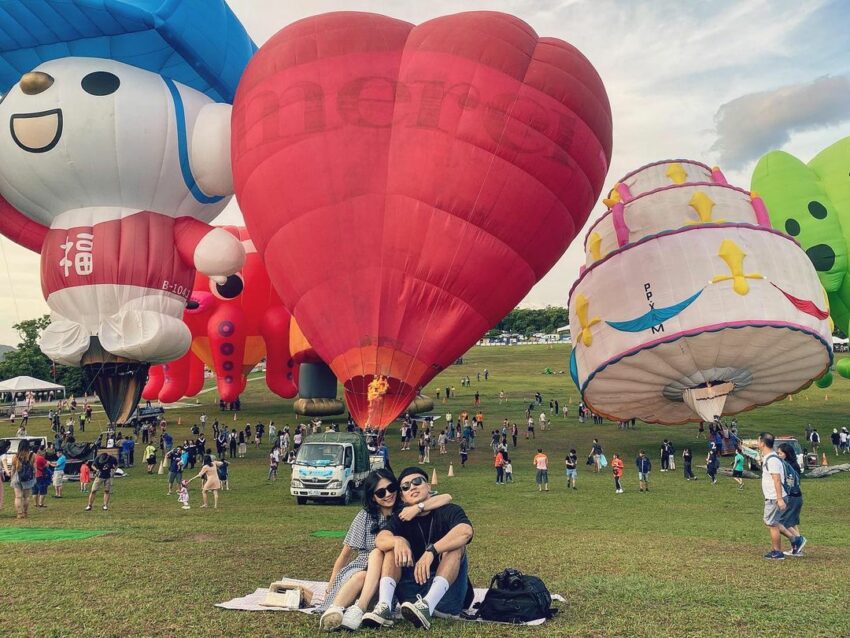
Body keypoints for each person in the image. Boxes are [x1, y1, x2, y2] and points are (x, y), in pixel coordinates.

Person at [319, 469, 453, 631]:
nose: (388, 494)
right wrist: (331, 583)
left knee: (380, 554)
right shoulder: (365, 516)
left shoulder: (405, 511)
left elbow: (446, 497)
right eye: (381, 492)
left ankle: (354, 609)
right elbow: (344, 555)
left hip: (388, 573)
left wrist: (418, 507)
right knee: (367, 566)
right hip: (362, 568)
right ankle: (338, 610)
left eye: (391, 488)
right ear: (373, 497)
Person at [362, 467, 473, 630]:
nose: (412, 487)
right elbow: (380, 539)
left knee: (456, 547)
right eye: (405, 486)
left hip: (446, 598)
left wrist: (432, 551)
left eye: (417, 482)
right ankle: (384, 607)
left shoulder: (449, 510)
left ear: (428, 486)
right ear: (402, 496)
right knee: (391, 547)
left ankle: (428, 605)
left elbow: (465, 532)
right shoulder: (401, 517)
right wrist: (397, 541)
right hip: (412, 596)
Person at [758, 432, 788, 559]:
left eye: (758, 441)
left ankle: (777, 551)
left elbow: (776, 479)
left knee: (772, 524)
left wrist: (779, 499)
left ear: (762, 443)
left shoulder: (772, 460)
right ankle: (794, 539)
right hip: (772, 497)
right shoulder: (770, 457)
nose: (757, 443)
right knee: (771, 522)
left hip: (774, 497)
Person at [776, 442, 807, 557]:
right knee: (792, 522)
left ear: (786, 454)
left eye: (780, 453)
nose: (778, 455)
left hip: (792, 497)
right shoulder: (793, 464)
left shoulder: (788, 466)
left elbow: (789, 483)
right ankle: (797, 549)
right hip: (797, 496)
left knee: (782, 522)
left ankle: (798, 540)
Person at [10, 440, 36, 519]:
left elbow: (13, 469)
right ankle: (25, 512)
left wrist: (11, 478)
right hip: (28, 478)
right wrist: (34, 476)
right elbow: (34, 468)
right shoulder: (32, 455)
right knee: (26, 497)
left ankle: (19, 514)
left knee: (18, 497)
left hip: (17, 477)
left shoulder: (15, 456)